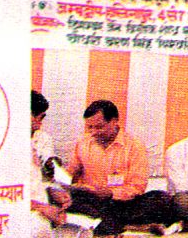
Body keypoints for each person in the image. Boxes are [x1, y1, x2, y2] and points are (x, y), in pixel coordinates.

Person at [65, 100, 173, 235]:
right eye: (90, 127)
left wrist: (111, 193)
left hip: (122, 204)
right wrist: (68, 181)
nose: (93, 132)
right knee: (70, 200)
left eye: (99, 127)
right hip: (93, 202)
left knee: (161, 199)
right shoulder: (83, 143)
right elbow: (69, 174)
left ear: (114, 121)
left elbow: (137, 186)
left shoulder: (134, 146)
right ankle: (131, 227)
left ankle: (109, 225)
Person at [30, 90, 71, 238]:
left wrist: (56, 192)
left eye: (42, 118)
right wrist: (40, 207)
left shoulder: (43, 139)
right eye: (37, 118)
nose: (39, 125)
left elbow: (47, 177)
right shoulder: (3, 144)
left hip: (42, 206)